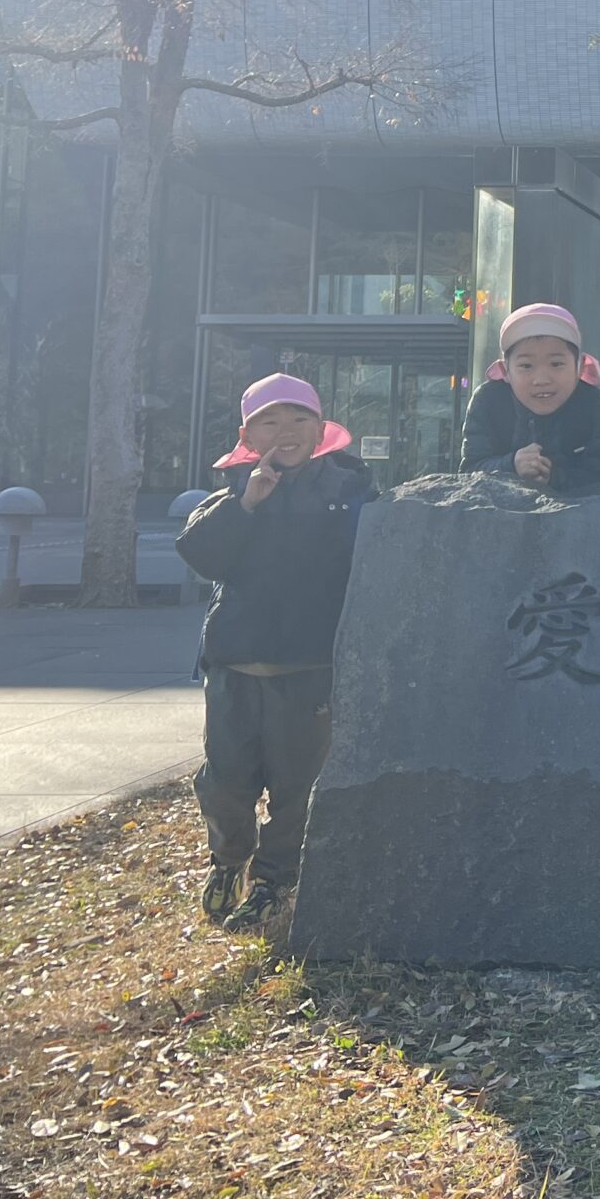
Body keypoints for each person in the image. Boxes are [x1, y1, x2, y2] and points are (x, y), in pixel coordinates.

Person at [176, 373, 376, 932]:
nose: (285, 430)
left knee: (298, 788)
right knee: (224, 781)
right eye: (269, 421)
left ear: (321, 429)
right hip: (235, 665)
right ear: (248, 435)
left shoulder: (350, 492)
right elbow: (200, 556)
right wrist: (247, 504)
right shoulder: (231, 494)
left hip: (311, 668)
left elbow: (376, 558)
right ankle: (227, 861)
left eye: (298, 418)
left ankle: (274, 881)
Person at [459, 302, 600, 495]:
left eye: (556, 364)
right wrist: (511, 465)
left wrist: (553, 478)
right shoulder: (488, 402)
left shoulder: (597, 407)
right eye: (526, 366)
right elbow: (469, 473)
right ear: (505, 371)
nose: (541, 380)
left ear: (579, 367)